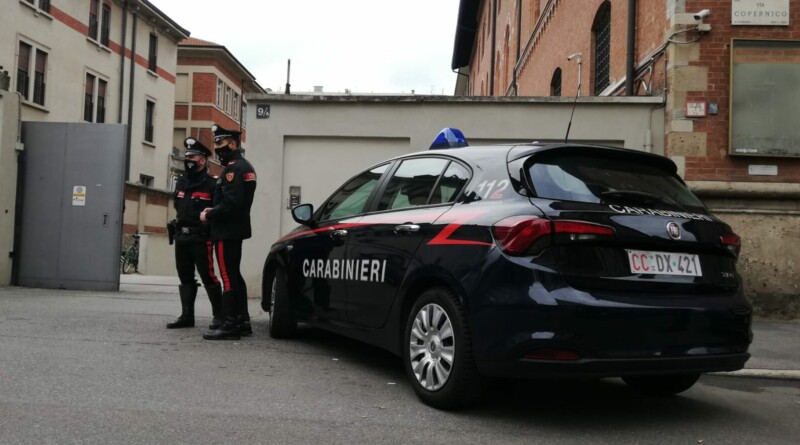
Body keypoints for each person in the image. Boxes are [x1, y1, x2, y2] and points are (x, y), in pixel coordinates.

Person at [201, 123, 257, 340]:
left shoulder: (235, 168)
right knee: (234, 275)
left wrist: (210, 214)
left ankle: (230, 324)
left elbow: (232, 203)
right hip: (233, 229)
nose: (217, 148)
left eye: (221, 143)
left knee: (228, 276)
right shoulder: (242, 166)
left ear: (233, 144)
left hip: (227, 230)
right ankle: (242, 320)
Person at [167, 137, 223, 330]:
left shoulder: (212, 184)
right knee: (184, 276)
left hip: (200, 238)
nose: (188, 160)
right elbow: (177, 205)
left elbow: (216, 211)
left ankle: (219, 316)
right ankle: (186, 316)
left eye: (193, 156)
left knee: (208, 276)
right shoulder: (182, 182)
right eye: (187, 156)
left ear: (203, 160)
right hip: (181, 236)